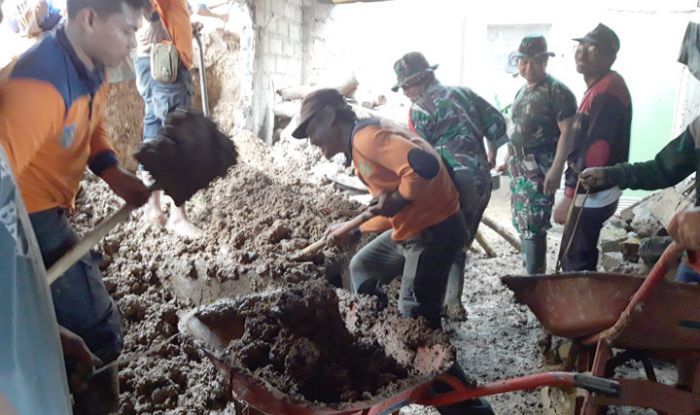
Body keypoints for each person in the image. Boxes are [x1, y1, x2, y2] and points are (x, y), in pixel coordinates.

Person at [291, 88, 495, 415]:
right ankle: (382, 345)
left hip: (433, 232)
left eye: (312, 130)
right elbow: (387, 207)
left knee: (418, 326)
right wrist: (356, 229)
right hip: (413, 227)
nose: (312, 141)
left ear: (330, 116)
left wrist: (397, 199)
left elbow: (425, 167)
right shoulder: (363, 143)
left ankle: (467, 405)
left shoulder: (366, 139)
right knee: (363, 266)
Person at [0, 0, 151, 407]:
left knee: (68, 326)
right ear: (88, 19)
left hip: (47, 204)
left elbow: (90, 126)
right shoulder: (37, 89)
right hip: (21, 216)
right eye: (126, 30)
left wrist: (115, 176)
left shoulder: (91, 67)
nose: (133, 43)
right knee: (97, 331)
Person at [392, 51, 508, 320]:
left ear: (421, 79)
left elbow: (420, 158)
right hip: (481, 180)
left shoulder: (419, 109)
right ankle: (453, 302)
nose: (405, 93)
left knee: (442, 243)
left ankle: (435, 308)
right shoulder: (464, 93)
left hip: (454, 184)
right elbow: (497, 124)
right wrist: (491, 154)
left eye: (406, 86)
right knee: (460, 241)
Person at [552, 23, 632, 272]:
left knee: (576, 260)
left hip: (592, 191)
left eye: (592, 48)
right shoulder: (599, 87)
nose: (582, 52)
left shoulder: (608, 90)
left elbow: (596, 151)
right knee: (575, 254)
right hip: (590, 190)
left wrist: (569, 195)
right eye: (580, 46)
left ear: (610, 56)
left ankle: (580, 308)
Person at [497, 35, 577, 274]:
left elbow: (568, 132)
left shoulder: (558, 92)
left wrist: (556, 169)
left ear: (545, 61)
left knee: (534, 222)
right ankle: (529, 276)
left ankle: (535, 280)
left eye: (535, 62)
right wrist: (506, 160)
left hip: (539, 166)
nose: (528, 67)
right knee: (521, 220)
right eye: (523, 61)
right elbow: (518, 129)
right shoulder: (523, 91)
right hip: (519, 166)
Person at [134, 0, 203, 238]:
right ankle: (178, 216)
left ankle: (153, 208)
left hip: (153, 59)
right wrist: (153, 19)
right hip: (166, 59)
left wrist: (183, 25)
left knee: (154, 132)